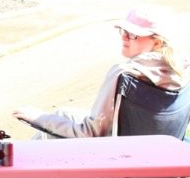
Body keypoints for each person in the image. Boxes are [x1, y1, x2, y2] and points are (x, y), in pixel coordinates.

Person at [13, 8, 188, 138]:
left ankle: (10, 176)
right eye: (124, 31)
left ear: (157, 43)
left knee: (47, 133)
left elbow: (90, 133)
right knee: (62, 113)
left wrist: (38, 118)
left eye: (133, 34)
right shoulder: (181, 71)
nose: (124, 37)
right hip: (159, 160)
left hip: (120, 162)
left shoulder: (125, 74)